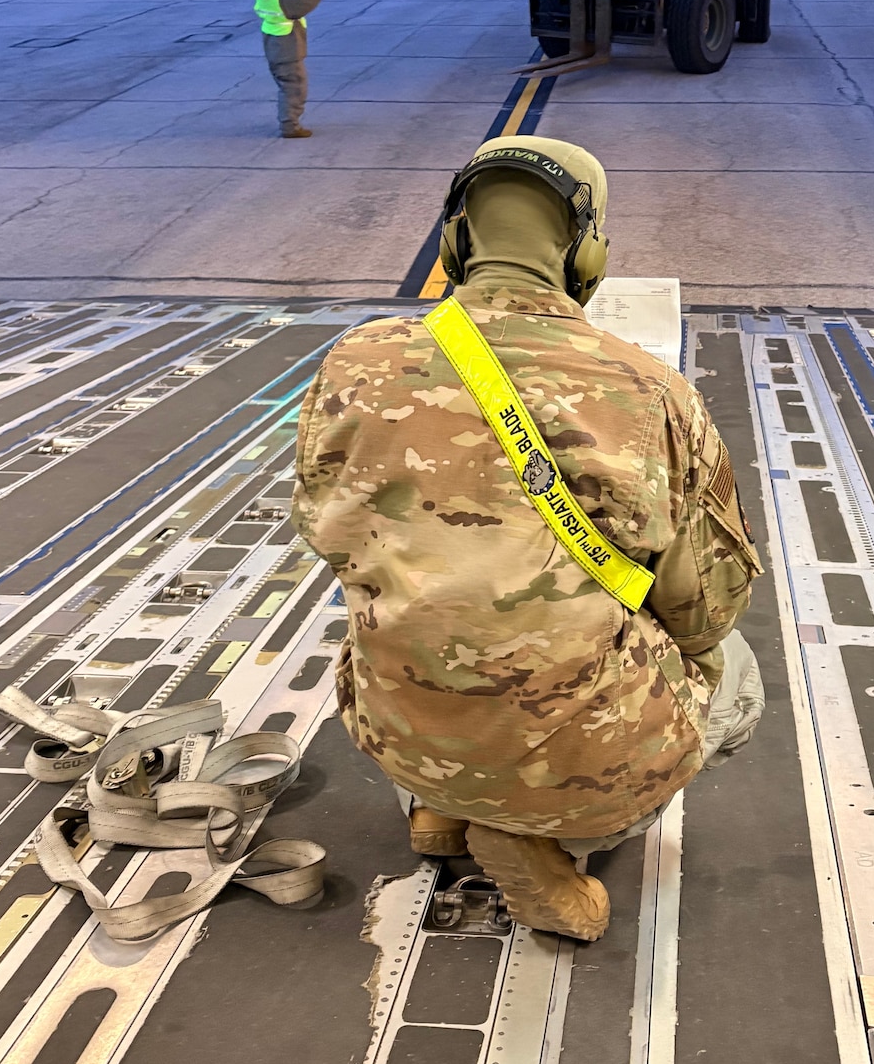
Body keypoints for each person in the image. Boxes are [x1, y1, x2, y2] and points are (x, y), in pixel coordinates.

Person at [291, 136, 763, 940]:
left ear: (454, 242)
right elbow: (705, 611)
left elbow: (327, 535)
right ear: (589, 255)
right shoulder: (652, 390)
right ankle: (529, 836)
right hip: (574, 751)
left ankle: (440, 803)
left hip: (403, 728)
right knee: (738, 676)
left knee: (417, 608)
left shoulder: (355, 361)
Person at [254, 0, 323, 138]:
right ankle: (290, 126)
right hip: (288, 50)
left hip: (273, 47)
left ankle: (288, 121)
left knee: (286, 86)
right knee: (294, 88)